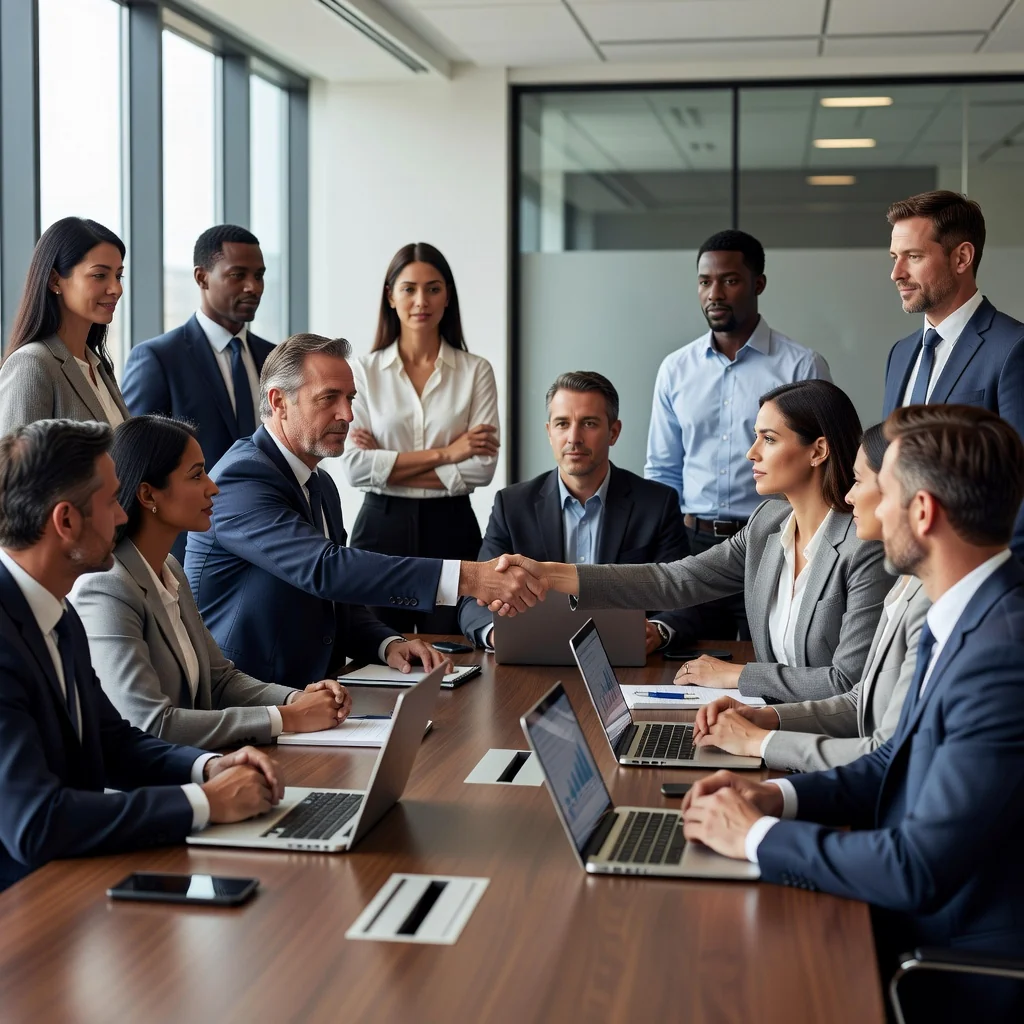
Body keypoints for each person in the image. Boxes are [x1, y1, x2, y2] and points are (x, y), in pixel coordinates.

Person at [679, 404, 1024, 1021]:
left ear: (922, 512)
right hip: (904, 915)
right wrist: (776, 797)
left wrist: (753, 836)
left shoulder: (1002, 654)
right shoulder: (965, 614)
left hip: (947, 960)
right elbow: (894, 762)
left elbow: (917, 867)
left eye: (878, 488)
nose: (860, 503)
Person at [0, 419, 285, 891]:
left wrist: (207, 767)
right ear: (66, 521)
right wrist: (204, 802)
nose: (121, 515)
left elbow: (113, 741)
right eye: (112, 501)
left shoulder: (57, 611)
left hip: (76, 881)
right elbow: (36, 822)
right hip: (28, 907)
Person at [497, 379, 892, 704]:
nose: (751, 453)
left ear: (818, 450)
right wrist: (551, 575)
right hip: (770, 724)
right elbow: (674, 580)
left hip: (827, 745)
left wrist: (737, 675)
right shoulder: (767, 523)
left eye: (769, 439)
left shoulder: (864, 547)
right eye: (755, 437)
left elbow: (848, 684)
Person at [184, 333, 545, 687]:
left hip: (317, 692)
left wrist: (388, 644)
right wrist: (469, 577)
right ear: (279, 402)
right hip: (246, 697)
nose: (347, 414)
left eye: (350, 398)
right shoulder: (242, 478)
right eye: (329, 398)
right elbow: (325, 569)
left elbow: (336, 601)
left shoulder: (321, 485)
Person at [71, 416, 353, 749]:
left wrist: (297, 699)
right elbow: (149, 724)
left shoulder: (169, 568)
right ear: (148, 494)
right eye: (196, 475)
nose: (213, 487)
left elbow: (219, 680)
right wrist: (286, 717)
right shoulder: (106, 587)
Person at [692, 422, 929, 770]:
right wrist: (766, 718)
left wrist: (759, 741)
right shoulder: (907, 585)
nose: (849, 496)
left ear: (919, 505)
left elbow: (886, 753)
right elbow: (859, 702)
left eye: (859, 481)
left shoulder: (918, 595)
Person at [645, 230, 831, 640]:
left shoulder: (800, 367)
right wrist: (668, 545)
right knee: (684, 657)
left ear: (758, 284)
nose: (714, 294)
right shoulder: (675, 369)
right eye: (704, 282)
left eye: (729, 280)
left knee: (768, 657)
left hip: (774, 541)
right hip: (692, 545)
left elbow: (819, 467)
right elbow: (662, 470)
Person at [458, 370, 698, 654]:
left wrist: (657, 631)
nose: (574, 438)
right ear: (549, 432)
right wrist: (496, 635)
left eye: (589, 423)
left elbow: (685, 595)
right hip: (535, 656)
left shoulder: (657, 504)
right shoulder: (512, 506)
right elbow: (474, 600)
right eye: (562, 424)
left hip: (625, 659)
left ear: (614, 432)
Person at [340, 243, 498, 634]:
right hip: (381, 528)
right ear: (391, 296)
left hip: (452, 526)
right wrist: (449, 452)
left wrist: (388, 464)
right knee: (374, 646)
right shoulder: (363, 372)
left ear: (448, 297)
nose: (421, 301)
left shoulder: (475, 371)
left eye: (433, 288)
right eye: (409, 288)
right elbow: (356, 468)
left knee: (457, 646)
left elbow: (481, 468)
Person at [121, 225, 276, 563]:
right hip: (189, 549)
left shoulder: (274, 358)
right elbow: (136, 463)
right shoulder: (158, 358)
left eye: (259, 275)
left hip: (269, 538)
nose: (253, 286)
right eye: (237, 275)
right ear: (202, 277)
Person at [882, 190, 1024, 558]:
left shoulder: (1013, 348)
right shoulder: (900, 354)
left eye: (913, 257)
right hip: (904, 568)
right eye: (895, 258)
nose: (897, 273)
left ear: (961, 257)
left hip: (978, 569)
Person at [0, 217, 130, 437]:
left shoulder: (98, 365)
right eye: (100, 275)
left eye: (118, 276)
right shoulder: (31, 364)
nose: (116, 289)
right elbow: (17, 459)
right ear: (54, 280)